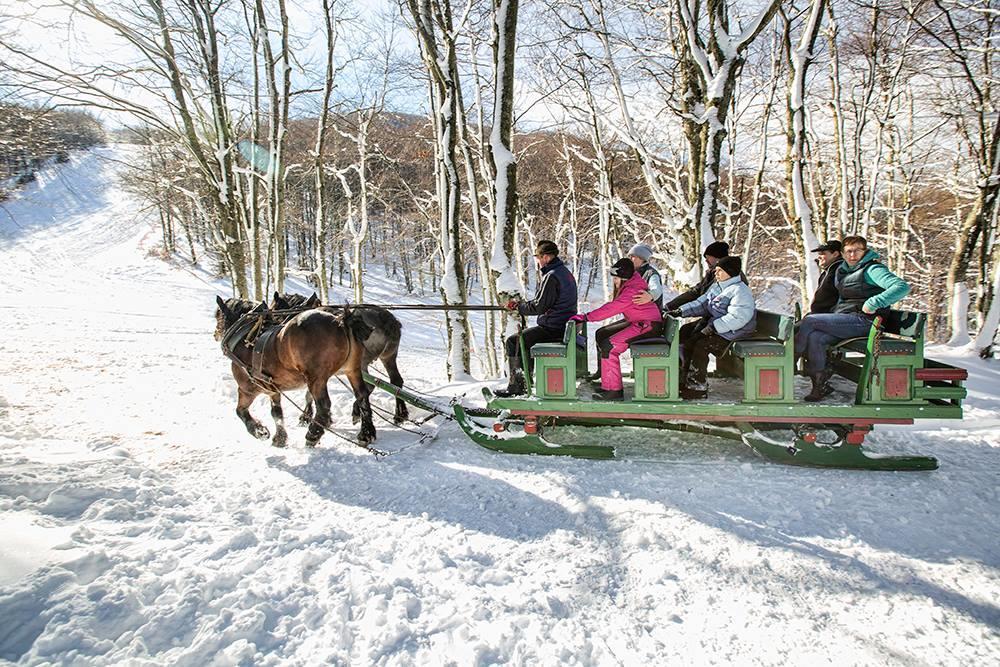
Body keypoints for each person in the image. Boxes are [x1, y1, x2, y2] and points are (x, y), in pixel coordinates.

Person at [794, 235, 910, 402]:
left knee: (810, 322)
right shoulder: (843, 270)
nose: (852, 255)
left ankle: (792, 359)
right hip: (847, 319)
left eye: (857, 250)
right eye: (848, 251)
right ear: (842, 253)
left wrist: (874, 302)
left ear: (865, 251)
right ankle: (820, 385)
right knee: (815, 337)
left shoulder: (872, 270)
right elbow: (844, 298)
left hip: (866, 321)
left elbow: (901, 287)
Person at [570, 258, 662, 401]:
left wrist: (586, 317)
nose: (614, 281)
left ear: (624, 277)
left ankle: (614, 391)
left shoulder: (631, 290)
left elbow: (611, 309)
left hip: (647, 326)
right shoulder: (632, 282)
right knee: (602, 334)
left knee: (610, 346)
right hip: (639, 322)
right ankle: (607, 381)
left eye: (616, 278)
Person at [495, 240, 578, 397]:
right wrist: (523, 305)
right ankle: (525, 382)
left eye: (539, 257)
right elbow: (543, 303)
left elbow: (540, 306)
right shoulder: (564, 273)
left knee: (513, 342)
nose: (538, 261)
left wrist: (518, 307)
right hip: (562, 325)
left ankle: (518, 387)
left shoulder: (552, 276)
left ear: (546, 257)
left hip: (553, 328)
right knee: (524, 340)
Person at [667, 255, 756, 400]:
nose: (716, 273)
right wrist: (681, 311)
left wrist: (713, 328)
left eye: (720, 270)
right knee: (686, 332)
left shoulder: (740, 291)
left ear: (730, 272)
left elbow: (739, 318)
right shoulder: (718, 287)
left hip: (735, 331)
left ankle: (698, 387)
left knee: (701, 345)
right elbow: (702, 304)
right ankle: (684, 377)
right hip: (719, 326)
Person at [588, 243, 664, 379]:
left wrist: (651, 295)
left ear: (643, 259)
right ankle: (603, 371)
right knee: (601, 333)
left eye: (634, 257)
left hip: (648, 321)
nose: (631, 258)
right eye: (630, 256)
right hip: (635, 317)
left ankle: (611, 382)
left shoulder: (651, 273)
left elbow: (656, 289)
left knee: (609, 344)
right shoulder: (629, 271)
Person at [664, 241, 745, 312]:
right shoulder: (712, 273)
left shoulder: (729, 274)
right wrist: (671, 306)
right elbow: (696, 292)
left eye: (708, 257)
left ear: (718, 258)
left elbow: (708, 299)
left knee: (689, 329)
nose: (706, 261)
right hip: (713, 313)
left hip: (725, 316)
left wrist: (683, 310)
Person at [809, 240, 844, 314]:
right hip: (820, 316)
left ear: (835, 254)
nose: (819, 257)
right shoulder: (827, 272)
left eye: (823, 253)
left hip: (831, 318)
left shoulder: (840, 271)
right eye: (819, 254)